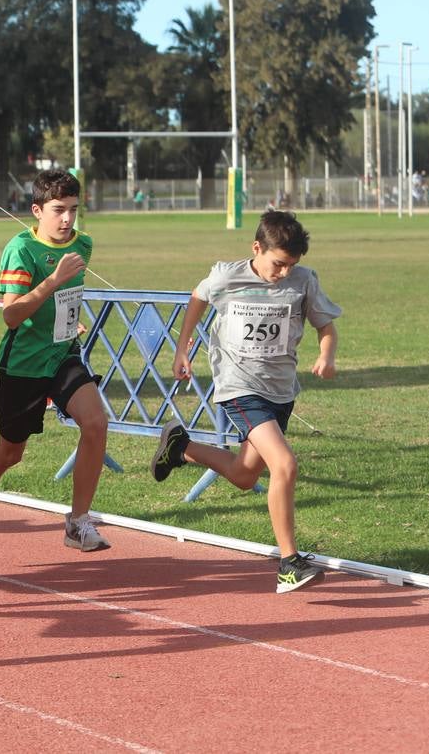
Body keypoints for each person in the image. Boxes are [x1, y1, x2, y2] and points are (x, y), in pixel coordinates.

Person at [150, 210, 341, 593]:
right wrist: (182, 349)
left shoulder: (304, 281)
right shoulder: (226, 276)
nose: (284, 272)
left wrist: (327, 355)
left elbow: (326, 326)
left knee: (244, 475)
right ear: (257, 248)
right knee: (284, 464)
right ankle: (289, 563)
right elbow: (198, 298)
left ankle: (180, 447)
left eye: (291, 265)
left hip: (280, 390)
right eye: (278, 264)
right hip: (238, 387)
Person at [0, 169, 110, 555]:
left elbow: (66, 298)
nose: (67, 219)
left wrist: (69, 318)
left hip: (63, 355)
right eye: (59, 210)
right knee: (12, 451)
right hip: (23, 363)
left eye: (74, 209)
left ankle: (78, 522)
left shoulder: (83, 244)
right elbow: (11, 315)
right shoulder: (20, 250)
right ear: (37, 210)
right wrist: (53, 280)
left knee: (96, 422)